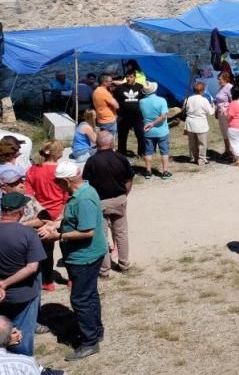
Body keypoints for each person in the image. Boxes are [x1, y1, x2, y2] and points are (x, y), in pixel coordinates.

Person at [38, 160, 106, 360]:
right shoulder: (83, 191)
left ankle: (89, 342)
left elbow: (87, 232)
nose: (56, 185)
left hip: (84, 257)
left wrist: (58, 236)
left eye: (58, 182)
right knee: (89, 295)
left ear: (67, 181)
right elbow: (73, 220)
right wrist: (57, 223)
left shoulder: (83, 199)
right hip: (88, 255)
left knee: (80, 299)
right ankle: (95, 331)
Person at [80, 131, 133, 278]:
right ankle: (124, 264)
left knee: (101, 236)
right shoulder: (121, 158)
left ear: (97, 144)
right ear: (111, 143)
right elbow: (129, 179)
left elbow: (86, 183)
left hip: (99, 202)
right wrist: (124, 194)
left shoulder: (92, 161)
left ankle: (104, 269)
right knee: (121, 233)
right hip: (119, 199)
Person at [0, 192, 45, 357]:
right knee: (22, 336)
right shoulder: (27, 233)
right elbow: (32, 267)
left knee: (3, 334)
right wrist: (5, 283)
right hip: (23, 294)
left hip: (2, 297)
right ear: (20, 212)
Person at [24, 142, 68, 291]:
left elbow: (29, 195)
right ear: (56, 153)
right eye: (61, 149)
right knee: (67, 245)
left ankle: (47, 281)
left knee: (46, 250)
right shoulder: (61, 171)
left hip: (41, 214)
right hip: (60, 212)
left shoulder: (33, 170)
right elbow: (66, 194)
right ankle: (72, 279)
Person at [136, 81, 170, 180]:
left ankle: (148, 171)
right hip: (162, 130)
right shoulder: (162, 100)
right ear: (154, 89)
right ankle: (165, 171)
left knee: (148, 152)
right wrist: (153, 124)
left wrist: (150, 124)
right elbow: (163, 116)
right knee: (164, 152)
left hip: (148, 131)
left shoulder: (141, 102)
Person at [112, 70, 144, 157]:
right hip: (123, 116)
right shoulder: (119, 88)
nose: (129, 79)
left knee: (141, 134)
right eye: (127, 77)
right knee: (122, 135)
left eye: (131, 77)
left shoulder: (140, 87)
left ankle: (142, 152)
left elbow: (144, 100)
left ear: (135, 77)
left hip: (137, 116)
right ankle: (122, 152)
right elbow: (113, 99)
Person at [182, 81, 214, 166]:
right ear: (202, 90)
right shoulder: (204, 100)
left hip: (190, 122)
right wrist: (213, 106)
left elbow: (184, 109)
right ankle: (202, 159)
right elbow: (210, 112)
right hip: (200, 123)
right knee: (202, 143)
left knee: (192, 142)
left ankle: (194, 157)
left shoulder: (188, 99)